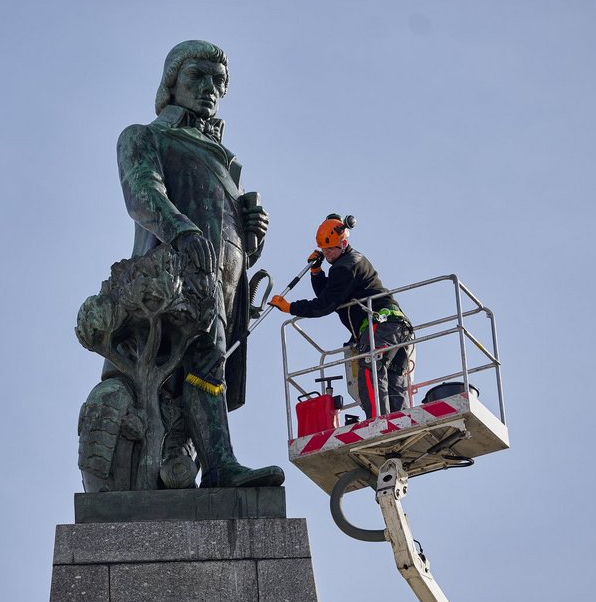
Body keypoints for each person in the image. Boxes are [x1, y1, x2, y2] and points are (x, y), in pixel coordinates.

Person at [106, 40, 283, 488]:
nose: (210, 89)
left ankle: (211, 463)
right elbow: (144, 194)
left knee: (208, 367)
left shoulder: (227, 161)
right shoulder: (145, 136)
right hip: (169, 282)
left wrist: (250, 237)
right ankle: (218, 466)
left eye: (218, 82)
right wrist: (182, 230)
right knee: (200, 362)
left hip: (220, 286)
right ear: (172, 83)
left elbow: (224, 236)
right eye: (197, 77)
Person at [269, 215, 414, 419]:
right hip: (396, 325)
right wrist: (317, 271)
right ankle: (400, 422)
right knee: (392, 376)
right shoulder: (346, 263)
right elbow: (330, 295)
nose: (326, 254)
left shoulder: (346, 266)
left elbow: (325, 305)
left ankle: (378, 422)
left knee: (369, 367)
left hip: (381, 324)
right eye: (323, 250)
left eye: (330, 249)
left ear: (344, 243)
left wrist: (291, 307)